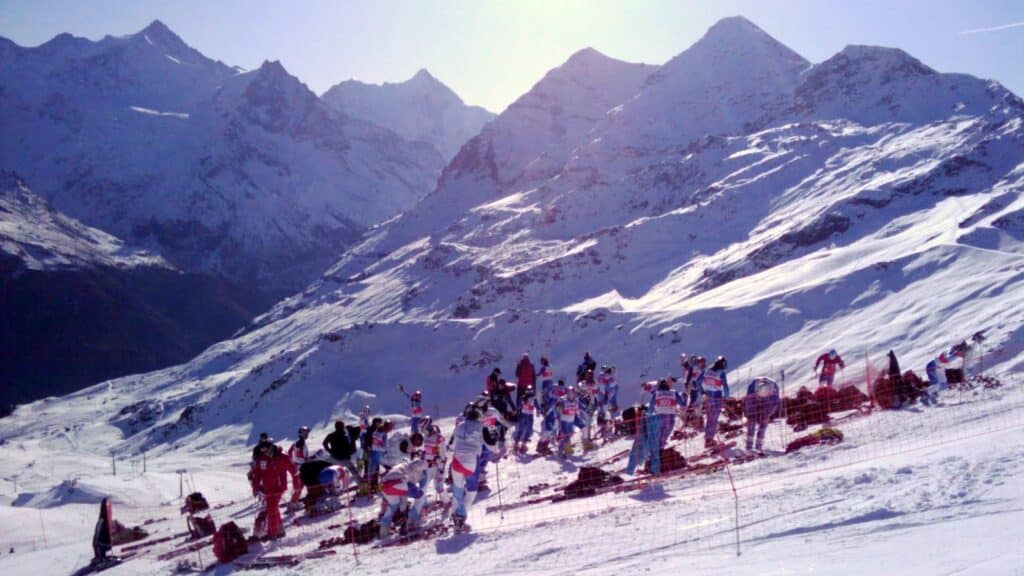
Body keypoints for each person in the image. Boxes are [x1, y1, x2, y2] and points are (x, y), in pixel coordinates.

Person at [448, 407, 495, 532]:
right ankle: (461, 517)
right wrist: (494, 436)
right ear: (479, 417)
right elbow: (491, 444)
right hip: (471, 462)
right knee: (471, 491)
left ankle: (455, 515)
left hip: (456, 461)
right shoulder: (481, 426)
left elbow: (451, 445)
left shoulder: (459, 426)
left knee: (457, 490)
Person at [252, 440, 295, 540]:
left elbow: (292, 468)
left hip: (279, 488)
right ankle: (280, 531)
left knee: (271, 509)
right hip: (267, 489)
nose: (265, 453)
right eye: (263, 451)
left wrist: (296, 480)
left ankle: (273, 533)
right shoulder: (262, 459)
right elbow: (257, 474)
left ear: (271, 447)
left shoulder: (282, 456)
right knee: (273, 509)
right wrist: (256, 487)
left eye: (266, 450)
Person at [379, 459, 428, 539]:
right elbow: (417, 466)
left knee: (393, 505)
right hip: (396, 483)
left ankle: (383, 532)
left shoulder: (404, 466)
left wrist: (403, 510)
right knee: (420, 495)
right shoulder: (413, 470)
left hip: (384, 486)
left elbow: (403, 497)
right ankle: (411, 522)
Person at [697, 356, 730, 449]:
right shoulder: (721, 373)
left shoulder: (706, 370)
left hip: (708, 397)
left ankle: (708, 438)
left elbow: (698, 382)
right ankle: (710, 440)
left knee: (709, 417)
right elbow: (726, 387)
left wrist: (702, 392)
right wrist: (726, 397)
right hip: (717, 397)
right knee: (714, 418)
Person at [743, 377, 780, 453]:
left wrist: (767, 415)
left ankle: (759, 445)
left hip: (768, 402)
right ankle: (749, 446)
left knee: (764, 422)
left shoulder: (774, 395)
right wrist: (749, 415)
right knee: (751, 422)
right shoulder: (752, 389)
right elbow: (748, 404)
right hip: (753, 400)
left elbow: (773, 406)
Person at [923, 341, 968, 405]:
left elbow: (948, 360)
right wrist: (958, 355)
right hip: (933, 367)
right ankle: (925, 395)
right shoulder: (950, 352)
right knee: (937, 383)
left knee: (942, 383)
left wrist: (960, 355)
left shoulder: (954, 353)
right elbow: (945, 359)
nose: (963, 352)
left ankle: (932, 396)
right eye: (962, 350)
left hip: (940, 368)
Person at [648, 379, 686, 449]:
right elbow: (682, 404)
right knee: (665, 433)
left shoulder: (656, 394)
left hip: (658, 416)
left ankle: (655, 449)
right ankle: (661, 448)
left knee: (658, 433)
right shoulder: (674, 393)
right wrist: (685, 399)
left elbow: (651, 407)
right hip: (670, 416)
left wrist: (648, 414)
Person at [287, 426, 310, 504]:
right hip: (302, 466)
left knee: (301, 484)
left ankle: (294, 500)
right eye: (305, 433)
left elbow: (289, 452)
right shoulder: (301, 443)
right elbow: (302, 455)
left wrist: (293, 462)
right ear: (301, 434)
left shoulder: (296, 442)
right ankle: (294, 501)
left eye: (307, 433)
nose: (307, 434)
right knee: (303, 483)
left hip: (298, 465)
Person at [513, 385, 537, 455]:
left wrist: (539, 410)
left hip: (530, 415)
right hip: (524, 415)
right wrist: (516, 410)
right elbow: (519, 406)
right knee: (521, 428)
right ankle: (516, 444)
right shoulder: (523, 397)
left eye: (530, 390)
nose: (529, 392)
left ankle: (523, 444)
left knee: (528, 429)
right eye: (528, 390)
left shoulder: (533, 398)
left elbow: (537, 405)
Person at [91, 498, 113, 564]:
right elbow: (96, 538)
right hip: (102, 545)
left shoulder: (105, 521)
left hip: (106, 544)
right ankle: (101, 559)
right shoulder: (101, 521)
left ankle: (102, 558)